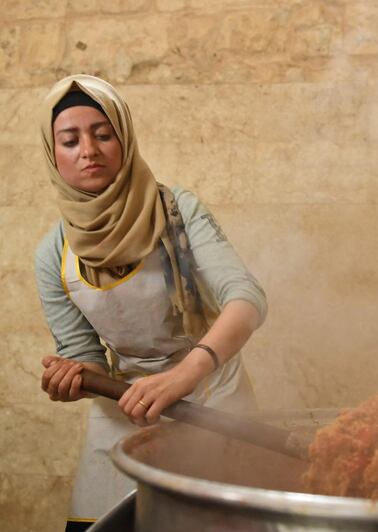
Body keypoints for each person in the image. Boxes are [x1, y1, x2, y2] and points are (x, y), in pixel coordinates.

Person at [35, 74, 267, 531]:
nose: (89, 150)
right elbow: (87, 362)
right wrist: (74, 378)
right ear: (52, 152)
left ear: (125, 138)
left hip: (211, 400)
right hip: (125, 411)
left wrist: (184, 374)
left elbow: (247, 299)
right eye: (70, 139)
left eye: (104, 134)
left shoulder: (178, 210)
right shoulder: (53, 253)